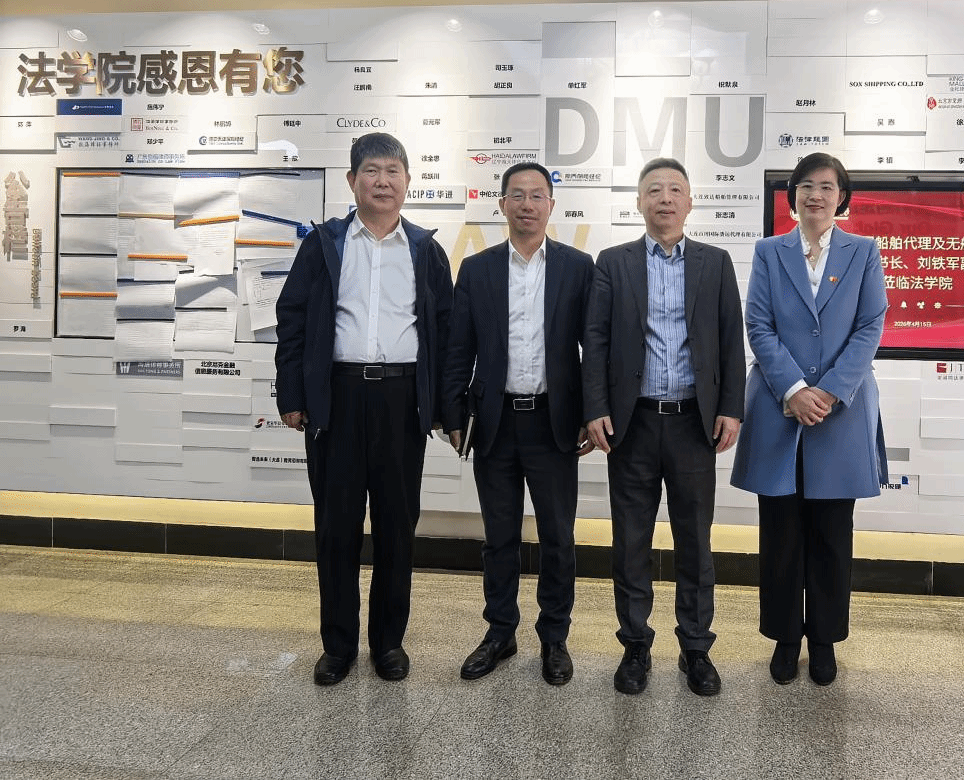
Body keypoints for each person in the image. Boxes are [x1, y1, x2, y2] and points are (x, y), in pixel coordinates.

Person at [275, 131, 453, 686]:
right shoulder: (324, 244)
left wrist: (443, 407)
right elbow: (292, 319)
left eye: (393, 171)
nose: (383, 181)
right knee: (336, 529)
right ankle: (338, 646)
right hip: (338, 398)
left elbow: (444, 333)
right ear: (352, 181)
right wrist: (292, 394)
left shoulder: (425, 249)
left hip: (402, 400)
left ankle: (388, 644)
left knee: (398, 528)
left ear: (408, 181)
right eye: (371, 171)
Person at [583, 157, 745, 697]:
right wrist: (595, 407)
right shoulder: (614, 262)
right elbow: (595, 341)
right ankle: (635, 644)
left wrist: (731, 408)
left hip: (693, 425)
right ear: (639, 202)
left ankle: (695, 646)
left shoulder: (714, 262)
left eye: (676, 189)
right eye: (654, 190)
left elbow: (731, 340)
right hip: (632, 423)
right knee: (630, 541)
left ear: (690, 202)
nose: (665, 198)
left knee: (694, 541)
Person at [731, 152, 888, 687]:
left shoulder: (864, 251)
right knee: (780, 534)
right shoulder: (769, 251)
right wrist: (795, 390)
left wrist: (828, 391)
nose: (815, 195)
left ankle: (823, 641)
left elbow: (870, 326)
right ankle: (784, 638)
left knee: (831, 534)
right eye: (806, 186)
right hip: (780, 407)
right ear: (792, 195)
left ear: (842, 197)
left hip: (841, 412)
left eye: (827, 186)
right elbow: (758, 324)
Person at [441, 162, 595, 686]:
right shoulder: (477, 269)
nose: (527, 204)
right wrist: (453, 413)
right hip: (495, 423)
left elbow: (592, 349)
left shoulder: (578, 267)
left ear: (552, 204)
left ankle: (554, 636)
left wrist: (591, 413)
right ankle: (500, 632)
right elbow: (459, 348)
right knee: (499, 537)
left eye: (537, 195)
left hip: (555, 422)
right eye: (517, 195)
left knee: (558, 538)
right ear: (502, 204)